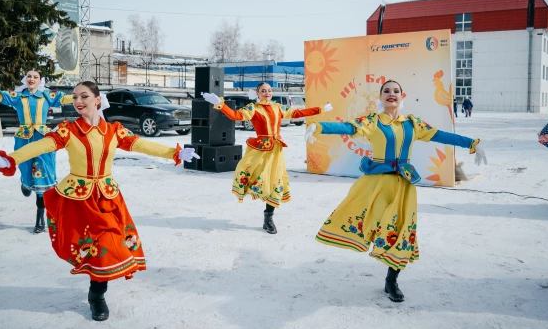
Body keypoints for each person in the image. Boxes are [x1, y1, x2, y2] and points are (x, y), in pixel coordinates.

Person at [0, 81, 200, 321]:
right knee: (97, 248)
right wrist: (11, 159)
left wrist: (175, 153)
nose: (78, 101)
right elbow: (41, 145)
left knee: (109, 245)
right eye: (75, 97)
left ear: (98, 100)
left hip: (108, 197)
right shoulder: (68, 130)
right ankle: (97, 296)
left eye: (84, 96)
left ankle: (97, 292)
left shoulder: (114, 130)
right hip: (79, 199)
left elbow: (142, 144)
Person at [305, 80, 487, 303]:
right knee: (371, 222)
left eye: (396, 91)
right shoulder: (373, 121)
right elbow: (349, 127)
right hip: (378, 185)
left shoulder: (412, 124)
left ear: (402, 96)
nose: (391, 94)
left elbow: (441, 135)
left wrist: (472, 143)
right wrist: (320, 126)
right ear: (380, 97)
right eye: (386, 91)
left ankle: (392, 280)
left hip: (403, 186)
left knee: (401, 231)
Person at [0, 70, 74, 233]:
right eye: (29, 76)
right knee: (27, 172)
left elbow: (67, 98)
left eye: (35, 77)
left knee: (42, 181)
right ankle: (25, 183)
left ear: (40, 80)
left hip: (44, 140)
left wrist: (91, 95)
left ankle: (40, 220)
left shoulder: (47, 96)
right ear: (25, 79)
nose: (32, 79)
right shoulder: (18, 97)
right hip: (24, 139)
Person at [202, 82, 332, 234]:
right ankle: (257, 199)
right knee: (259, 178)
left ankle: (268, 218)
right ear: (257, 93)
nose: (267, 93)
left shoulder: (277, 107)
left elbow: (297, 114)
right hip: (260, 151)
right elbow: (236, 116)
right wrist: (220, 105)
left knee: (276, 182)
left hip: (276, 151)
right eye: (263, 91)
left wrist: (320, 109)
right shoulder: (253, 109)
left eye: (269, 90)